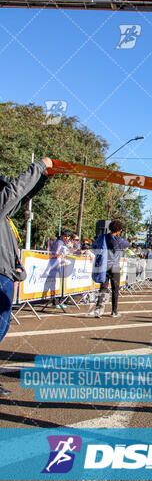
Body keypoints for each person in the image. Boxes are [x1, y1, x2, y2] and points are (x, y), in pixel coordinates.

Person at [0, 157, 53, 395]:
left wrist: (42, 179)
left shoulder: (4, 218)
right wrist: (39, 166)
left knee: (2, 326)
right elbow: (15, 191)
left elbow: (21, 197)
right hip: (0, 277)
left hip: (5, 276)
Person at [94, 219, 130, 318]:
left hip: (103, 265)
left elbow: (94, 244)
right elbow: (127, 244)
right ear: (119, 230)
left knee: (103, 287)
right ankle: (114, 311)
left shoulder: (102, 237)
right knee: (115, 289)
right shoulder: (118, 240)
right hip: (115, 266)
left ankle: (98, 308)